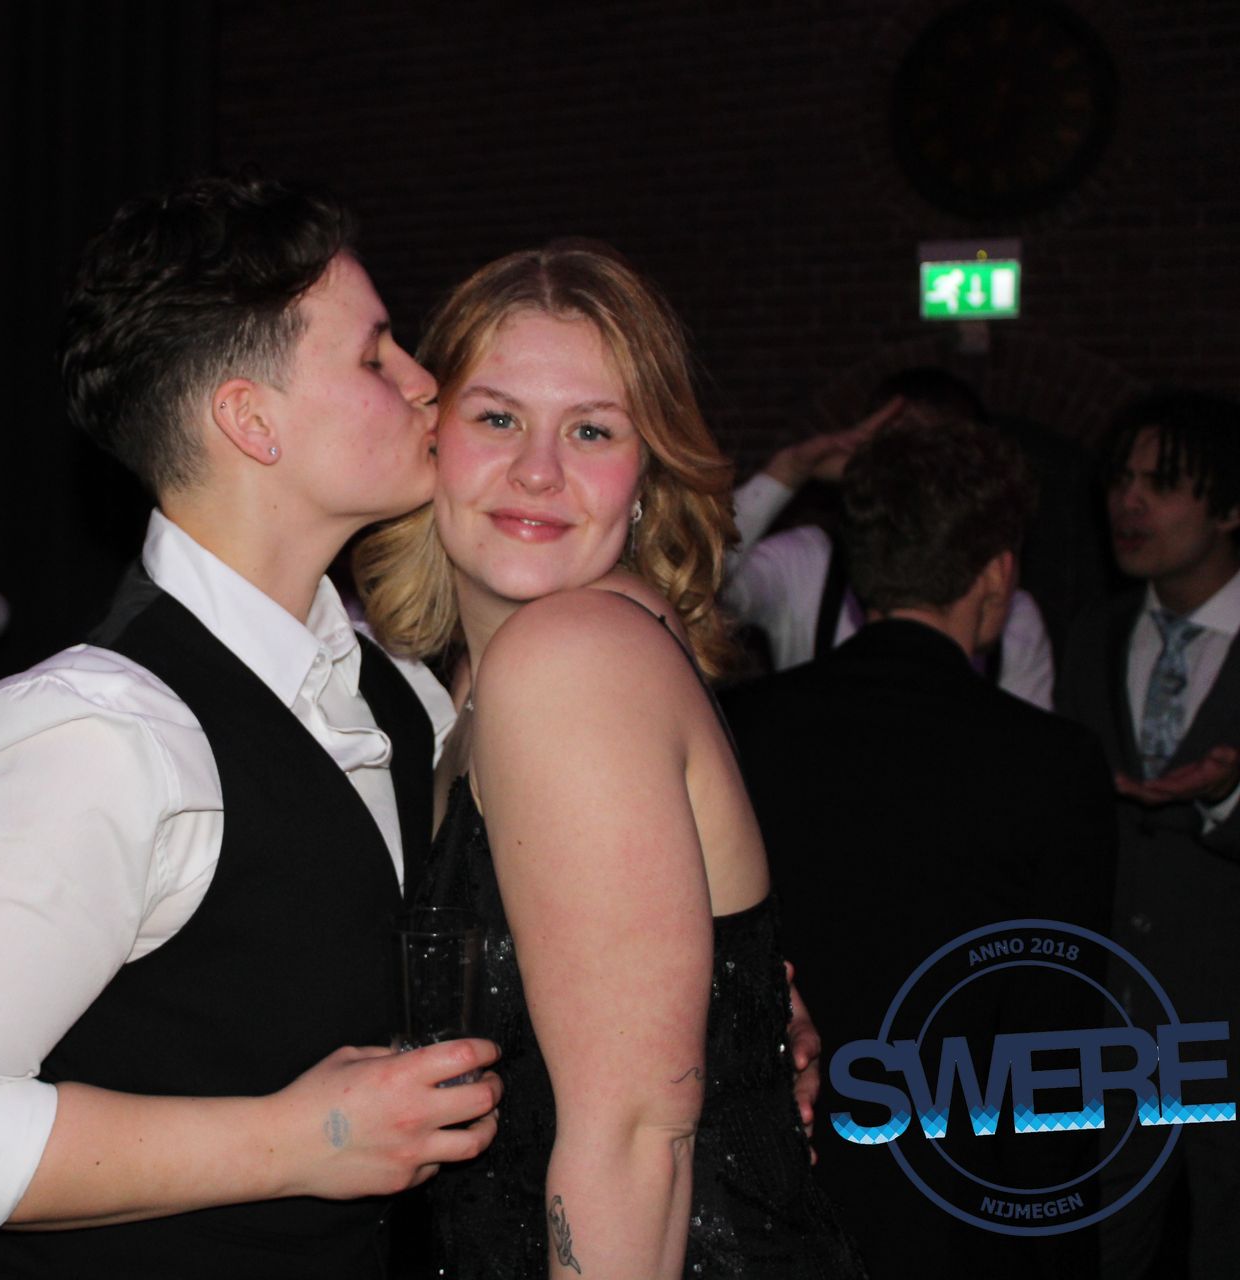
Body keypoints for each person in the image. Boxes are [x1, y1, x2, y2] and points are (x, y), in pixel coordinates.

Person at [0, 175, 501, 1279]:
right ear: (250, 420)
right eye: (376, 356)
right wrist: (299, 1138)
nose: (426, 382)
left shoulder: (389, 684)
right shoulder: (103, 734)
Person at [353, 240, 863, 1277]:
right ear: (431, 436)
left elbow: (633, 1136)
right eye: (498, 418)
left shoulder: (570, 657)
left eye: (591, 429)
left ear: (645, 474)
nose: (538, 470)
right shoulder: (497, 669)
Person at [722, 414, 1116, 1279]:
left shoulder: (745, 727)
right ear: (998, 573)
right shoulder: (1050, 762)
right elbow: (1054, 1053)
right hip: (958, 1212)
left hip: (773, 1199)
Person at [1059, 390, 1240, 1279]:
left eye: (1160, 485)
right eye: (1119, 481)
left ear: (1230, 508)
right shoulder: (1093, 634)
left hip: (1227, 1006)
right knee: (1099, 1243)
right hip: (1113, 1012)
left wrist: (1227, 798)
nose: (1128, 504)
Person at [725, 370, 1056, 706]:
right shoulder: (806, 560)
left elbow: (1024, 732)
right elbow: (701, 589)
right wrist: (788, 471)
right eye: (897, 450)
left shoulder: (1013, 612)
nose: (913, 472)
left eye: (935, 456)